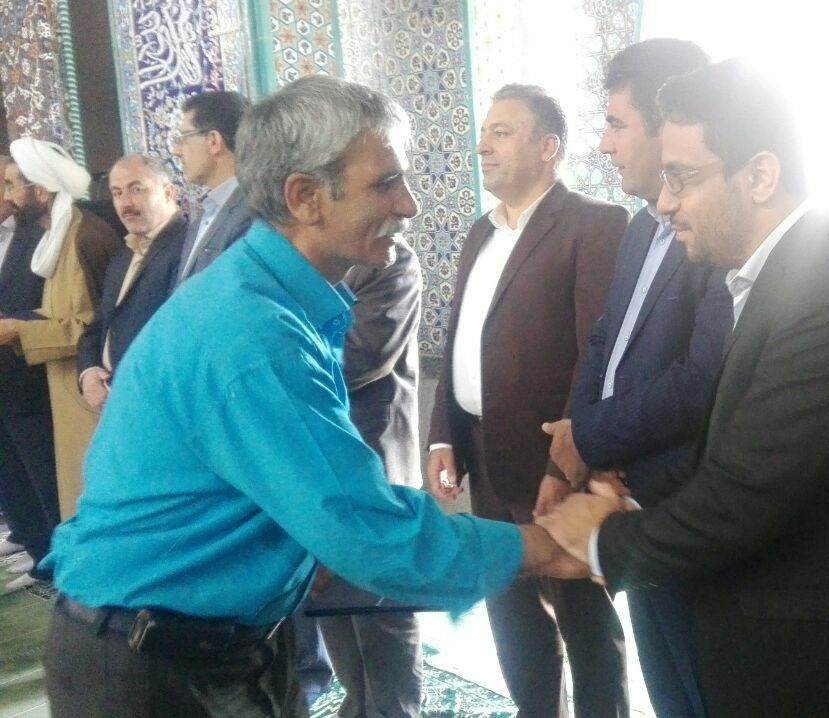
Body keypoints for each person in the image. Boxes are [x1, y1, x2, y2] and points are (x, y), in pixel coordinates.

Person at [39, 75, 581, 718]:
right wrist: (552, 545)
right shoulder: (256, 334)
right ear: (305, 197)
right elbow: (368, 536)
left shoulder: (272, 298)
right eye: (385, 183)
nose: (409, 205)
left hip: (210, 645)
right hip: (151, 670)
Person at [538, 59, 829, 717]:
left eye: (682, 177)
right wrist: (635, 511)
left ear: (760, 176)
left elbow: (745, 495)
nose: (666, 202)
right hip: (814, 652)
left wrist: (604, 539)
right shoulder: (777, 275)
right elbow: (748, 448)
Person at [425, 84, 628, 717]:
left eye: (502, 132)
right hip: (483, 454)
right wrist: (442, 434)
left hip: (552, 462)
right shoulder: (480, 232)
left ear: (548, 147)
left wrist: (565, 465)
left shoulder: (594, 225)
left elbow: (597, 357)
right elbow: (461, 340)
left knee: (584, 619)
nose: (482, 145)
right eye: (484, 132)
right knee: (511, 615)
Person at [541, 38, 727, 718]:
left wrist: (595, 441)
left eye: (617, 124)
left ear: (665, 126)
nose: (606, 143)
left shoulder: (716, 239)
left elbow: (700, 381)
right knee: (668, 683)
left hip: (677, 501)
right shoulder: (640, 230)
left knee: (706, 687)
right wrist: (574, 446)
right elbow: (604, 341)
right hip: (620, 488)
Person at [315, 237, 427, 718]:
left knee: (381, 613)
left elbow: (360, 357)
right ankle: (358, 706)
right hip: (320, 463)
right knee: (335, 609)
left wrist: (276, 356)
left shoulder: (390, 262)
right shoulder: (312, 256)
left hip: (376, 463)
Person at [0, 139, 119, 521]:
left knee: (94, 498)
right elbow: (60, 312)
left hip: (89, 392)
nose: (8, 197)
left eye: (12, 185)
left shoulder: (86, 237)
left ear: (40, 190)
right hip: (64, 386)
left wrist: (18, 331)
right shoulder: (60, 235)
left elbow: (96, 326)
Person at [76, 155, 188, 413]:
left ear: (169, 192)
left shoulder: (187, 249)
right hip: (116, 404)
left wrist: (125, 390)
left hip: (157, 404)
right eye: (117, 193)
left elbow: (176, 339)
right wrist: (89, 372)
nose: (125, 203)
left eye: (136, 189)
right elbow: (99, 325)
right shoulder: (123, 255)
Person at [0, 154, 60, 594]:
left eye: (10, 184)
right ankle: (35, 550)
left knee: (41, 474)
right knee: (10, 474)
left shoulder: (38, 236)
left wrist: (13, 325)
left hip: (26, 375)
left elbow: (51, 307)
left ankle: (57, 559)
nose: (9, 192)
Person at [170, 90, 253, 289]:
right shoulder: (205, 212)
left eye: (183, 139)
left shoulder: (251, 212)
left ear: (214, 141)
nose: (176, 151)